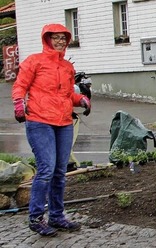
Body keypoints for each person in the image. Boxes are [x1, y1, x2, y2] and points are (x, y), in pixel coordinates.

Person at [12, 23, 91, 237]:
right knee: (46, 169)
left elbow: (66, 95)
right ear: (47, 39)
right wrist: (19, 102)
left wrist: (81, 99)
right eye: (55, 37)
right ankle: (36, 218)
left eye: (63, 38)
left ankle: (56, 216)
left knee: (59, 171)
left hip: (63, 122)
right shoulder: (34, 61)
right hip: (39, 121)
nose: (60, 41)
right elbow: (20, 85)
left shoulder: (67, 67)